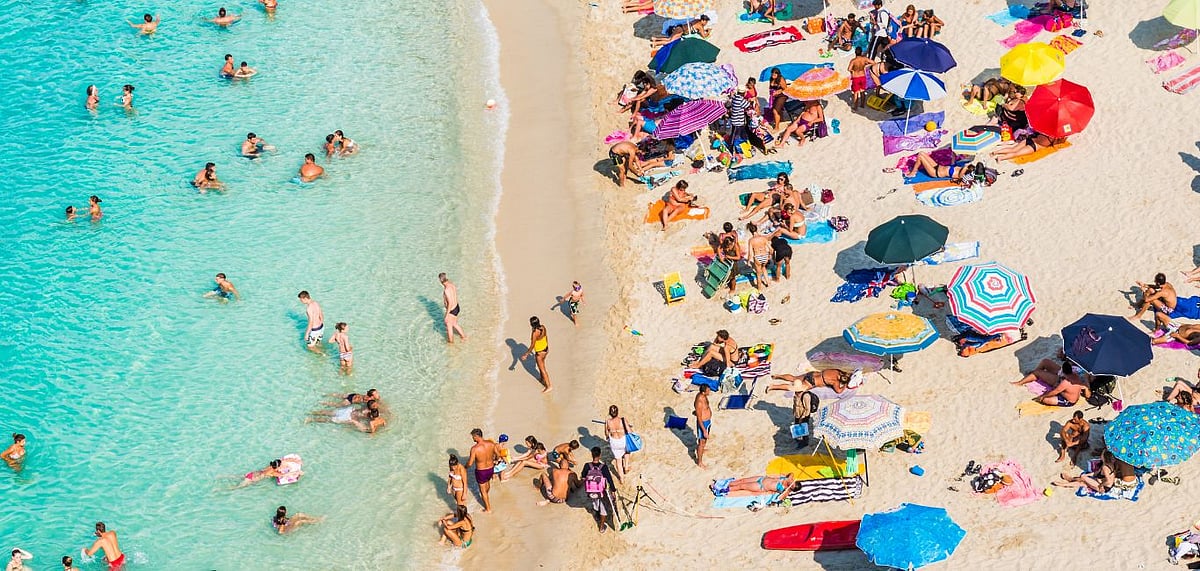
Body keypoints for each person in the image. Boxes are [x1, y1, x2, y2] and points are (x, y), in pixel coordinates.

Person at [582, 446, 617, 533]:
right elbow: (609, 480)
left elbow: (583, 477)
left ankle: (596, 514)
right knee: (603, 509)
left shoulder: (587, 465)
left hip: (591, 492)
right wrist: (613, 491)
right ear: (600, 455)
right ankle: (601, 527)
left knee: (595, 504)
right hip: (601, 492)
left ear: (592, 455)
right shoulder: (603, 467)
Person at [466, 428, 498, 513]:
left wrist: (464, 468)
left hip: (481, 471)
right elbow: (498, 455)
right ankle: (486, 498)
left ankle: (488, 509)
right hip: (491, 469)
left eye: (473, 437)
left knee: (482, 491)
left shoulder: (474, 448)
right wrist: (494, 461)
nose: (473, 439)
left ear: (476, 436)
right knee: (487, 484)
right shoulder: (491, 444)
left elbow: (470, 463)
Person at [520, 316, 552, 392]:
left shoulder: (534, 333)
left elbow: (532, 345)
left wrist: (526, 354)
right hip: (545, 349)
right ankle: (542, 379)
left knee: (542, 369)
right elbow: (546, 337)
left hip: (540, 352)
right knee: (541, 365)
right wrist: (547, 346)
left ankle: (549, 386)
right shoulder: (543, 327)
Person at [990, 131, 1066, 162]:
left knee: (1013, 149)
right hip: (1034, 146)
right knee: (1016, 153)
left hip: (1030, 139)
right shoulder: (1053, 138)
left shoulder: (1044, 130)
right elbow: (1056, 145)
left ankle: (996, 152)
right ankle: (1000, 158)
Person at [436, 273, 467, 343]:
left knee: (449, 326)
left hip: (452, 309)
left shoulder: (446, 290)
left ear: (440, 280)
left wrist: (446, 315)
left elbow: (449, 303)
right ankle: (464, 337)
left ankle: (451, 343)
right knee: (454, 324)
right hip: (456, 307)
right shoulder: (451, 285)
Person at [769, 369, 854, 394]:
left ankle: (777, 376)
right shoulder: (835, 382)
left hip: (812, 374)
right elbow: (838, 391)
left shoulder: (836, 371)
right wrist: (846, 386)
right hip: (812, 382)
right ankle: (773, 386)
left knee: (794, 378)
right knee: (794, 388)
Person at [605, 405, 630, 481]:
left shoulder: (608, 421)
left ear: (610, 413)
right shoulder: (623, 420)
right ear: (617, 412)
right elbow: (629, 431)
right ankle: (626, 467)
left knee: (618, 461)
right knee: (627, 451)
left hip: (614, 442)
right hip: (622, 440)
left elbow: (606, 433)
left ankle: (621, 479)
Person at [717, 473, 796, 496]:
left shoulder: (783, 489)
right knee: (742, 480)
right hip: (761, 478)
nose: (791, 483)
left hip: (761, 486)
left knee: (742, 486)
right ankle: (725, 483)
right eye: (793, 483)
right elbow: (792, 474)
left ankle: (724, 490)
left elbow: (781, 497)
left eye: (792, 485)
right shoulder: (788, 479)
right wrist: (789, 479)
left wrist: (788, 490)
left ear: (791, 488)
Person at [745, 223, 772, 287]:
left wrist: (748, 262)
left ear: (750, 231)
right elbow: (771, 249)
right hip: (765, 255)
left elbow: (750, 253)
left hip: (757, 257)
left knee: (758, 273)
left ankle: (759, 287)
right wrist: (769, 255)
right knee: (764, 268)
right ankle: (768, 283)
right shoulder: (763, 238)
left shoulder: (751, 240)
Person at [694, 384, 712, 468]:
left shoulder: (704, 396)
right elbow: (699, 417)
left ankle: (702, 449)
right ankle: (699, 462)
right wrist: (704, 430)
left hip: (707, 421)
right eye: (708, 390)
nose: (710, 391)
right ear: (704, 392)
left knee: (704, 440)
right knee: (701, 442)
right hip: (703, 423)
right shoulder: (699, 401)